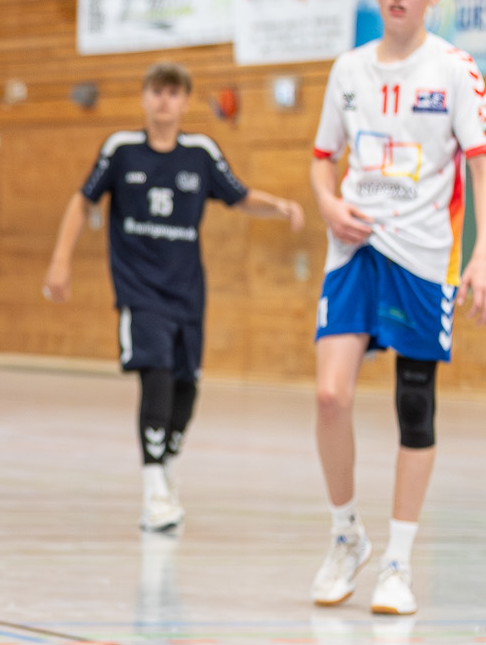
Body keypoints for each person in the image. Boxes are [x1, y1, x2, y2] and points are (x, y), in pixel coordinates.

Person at [308, 0, 486, 617]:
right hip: (354, 249)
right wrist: (329, 203)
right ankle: (346, 535)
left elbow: (484, 166)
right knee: (331, 395)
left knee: (413, 405)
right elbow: (321, 158)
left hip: (423, 255)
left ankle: (398, 561)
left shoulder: (454, 68)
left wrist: (482, 255)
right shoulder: (348, 70)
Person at [43, 62, 303, 532]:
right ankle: (152, 490)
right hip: (139, 291)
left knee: (186, 391)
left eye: (173, 93)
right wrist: (60, 260)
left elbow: (239, 195)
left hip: (188, 293)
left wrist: (279, 206)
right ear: (144, 98)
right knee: (156, 376)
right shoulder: (120, 151)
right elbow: (83, 201)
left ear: (185, 101)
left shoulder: (200, 153)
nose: (164, 101)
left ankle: (165, 471)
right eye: (156, 91)